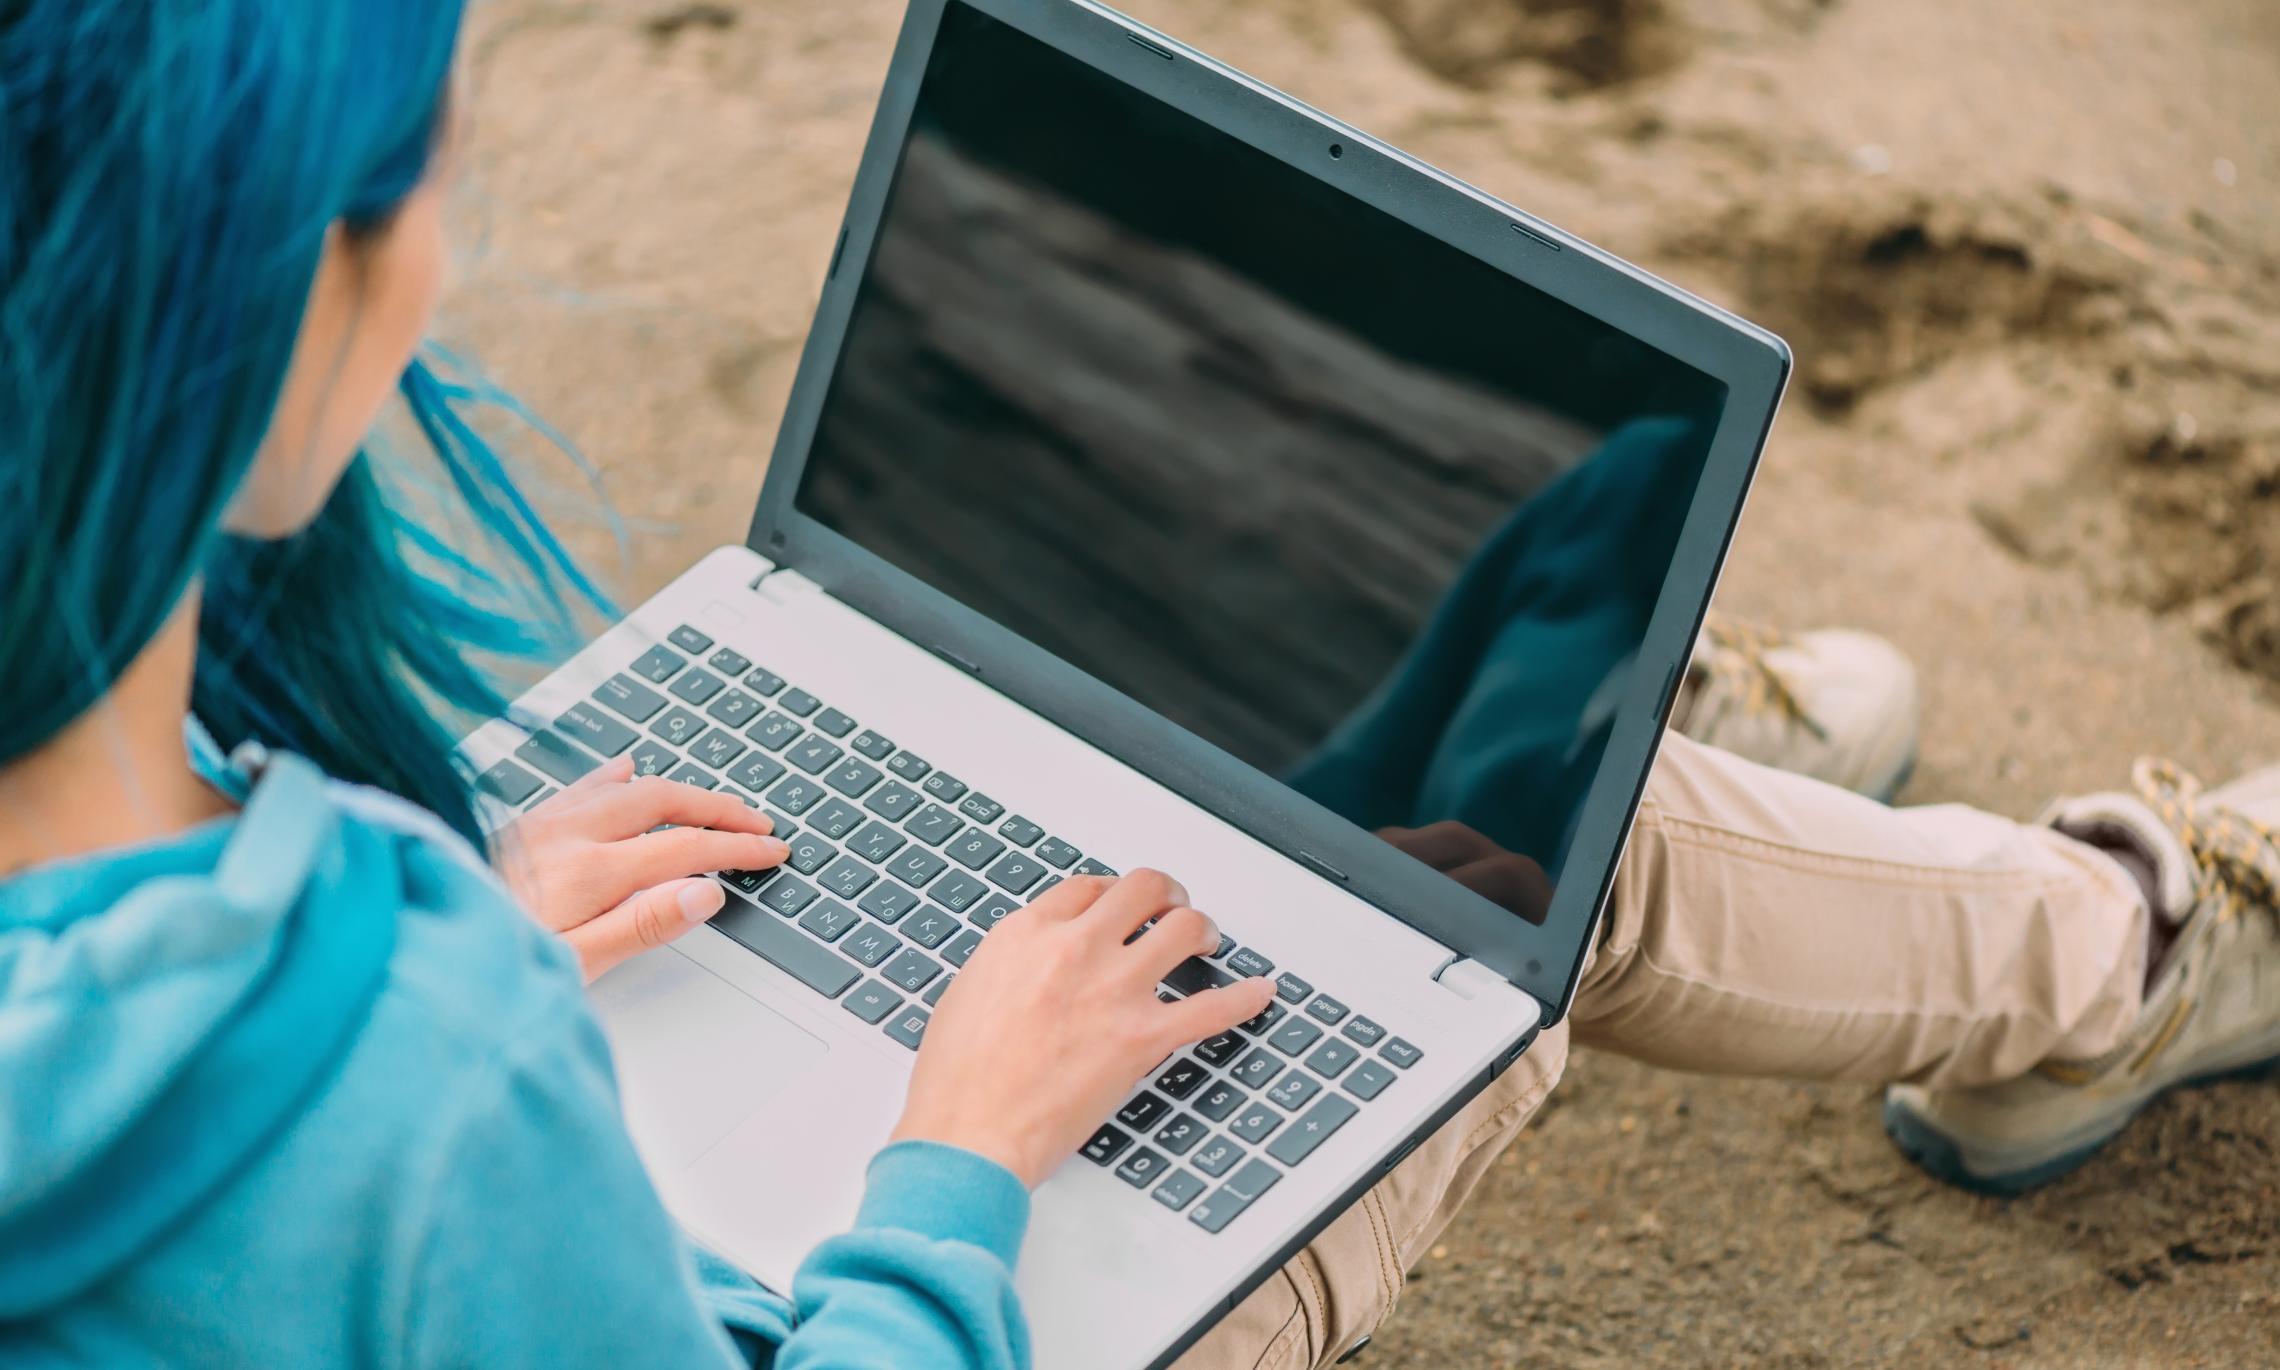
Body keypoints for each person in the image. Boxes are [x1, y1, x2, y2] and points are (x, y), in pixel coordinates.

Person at [4, 8, 2275, 1370]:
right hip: (883, 1283)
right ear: (292, 298)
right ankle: (2117, 951)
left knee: (1380, 813)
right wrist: (957, 1154)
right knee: (1509, 903)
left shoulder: (304, 972)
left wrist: (446, 931)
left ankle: (1597, 724)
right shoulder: (421, 1059)